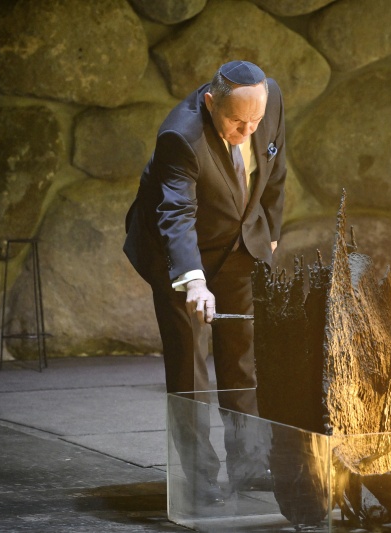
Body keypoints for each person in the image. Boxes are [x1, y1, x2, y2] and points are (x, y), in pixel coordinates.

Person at [123, 60, 286, 503]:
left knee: (242, 356)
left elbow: (275, 174)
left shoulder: (267, 102)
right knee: (190, 366)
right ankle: (197, 478)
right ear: (212, 103)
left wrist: (268, 236)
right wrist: (192, 282)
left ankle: (251, 466)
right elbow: (177, 214)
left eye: (255, 120)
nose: (248, 130)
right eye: (237, 121)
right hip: (179, 255)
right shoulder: (181, 135)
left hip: (239, 247)